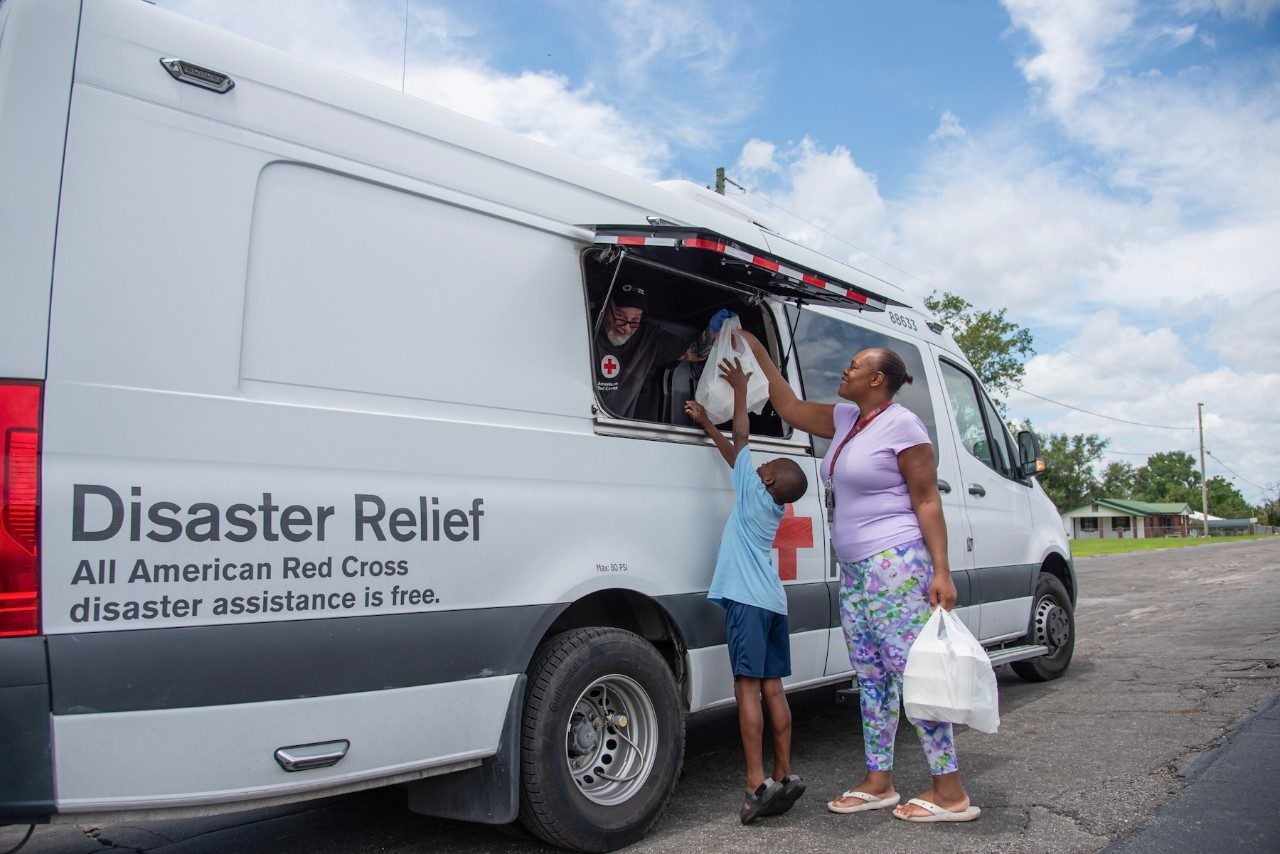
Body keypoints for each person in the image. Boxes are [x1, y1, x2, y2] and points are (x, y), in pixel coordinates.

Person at [738, 331, 981, 824]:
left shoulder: (904, 426)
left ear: (877, 379)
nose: (842, 373)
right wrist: (756, 348)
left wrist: (941, 571)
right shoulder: (849, 419)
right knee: (870, 677)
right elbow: (787, 406)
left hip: (896, 564)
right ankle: (879, 780)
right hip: (855, 570)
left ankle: (950, 790)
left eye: (852, 367)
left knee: (912, 674)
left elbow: (927, 500)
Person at [683, 356, 810, 825]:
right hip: (774, 604)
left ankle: (755, 782)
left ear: (771, 480)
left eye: (769, 464)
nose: (761, 464)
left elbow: (741, 438)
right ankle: (784, 773)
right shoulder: (768, 502)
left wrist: (739, 389)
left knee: (747, 693)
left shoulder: (754, 490)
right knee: (775, 691)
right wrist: (704, 426)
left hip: (748, 603)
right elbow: (735, 455)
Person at [593, 284, 724, 419]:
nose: (626, 327)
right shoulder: (583, 325)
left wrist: (714, 332)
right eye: (620, 317)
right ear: (605, 304)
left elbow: (697, 352)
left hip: (614, 431)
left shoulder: (649, 338)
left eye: (635, 319)